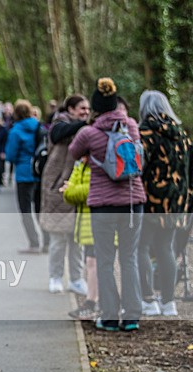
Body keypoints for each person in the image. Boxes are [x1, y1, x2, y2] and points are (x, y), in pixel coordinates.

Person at [69, 78, 146, 332]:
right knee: (129, 257)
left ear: (95, 107)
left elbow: (73, 152)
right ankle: (133, 315)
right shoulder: (131, 126)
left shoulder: (89, 133)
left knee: (104, 259)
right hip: (133, 201)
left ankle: (110, 316)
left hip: (103, 204)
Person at [137, 90, 191, 317]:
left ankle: (149, 299)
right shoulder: (181, 134)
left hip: (152, 199)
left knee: (141, 247)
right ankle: (169, 301)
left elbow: (140, 166)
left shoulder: (145, 133)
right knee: (166, 248)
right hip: (177, 200)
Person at [39, 95, 90, 294]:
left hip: (78, 188)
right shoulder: (59, 123)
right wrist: (84, 124)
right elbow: (59, 134)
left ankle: (77, 279)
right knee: (58, 239)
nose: (85, 112)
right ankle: (56, 277)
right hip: (57, 188)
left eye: (87, 109)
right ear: (70, 109)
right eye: (81, 108)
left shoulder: (86, 130)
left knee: (78, 239)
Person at [62, 159, 100, 320]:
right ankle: (92, 302)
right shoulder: (81, 163)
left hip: (97, 218)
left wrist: (71, 189)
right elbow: (71, 189)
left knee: (95, 262)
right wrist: (71, 189)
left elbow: (90, 189)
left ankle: (94, 303)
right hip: (87, 219)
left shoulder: (96, 162)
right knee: (91, 261)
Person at [5, 99, 44, 253]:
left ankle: (34, 243)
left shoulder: (16, 131)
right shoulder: (39, 127)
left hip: (23, 173)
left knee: (25, 210)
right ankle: (47, 241)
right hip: (40, 172)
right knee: (41, 208)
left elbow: (10, 154)